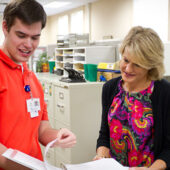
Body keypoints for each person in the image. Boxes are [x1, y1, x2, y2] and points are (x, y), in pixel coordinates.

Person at [0, 0, 76, 169]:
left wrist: (58, 136)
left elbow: (42, 130)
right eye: (21, 35)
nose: (28, 44)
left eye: (35, 37)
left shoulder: (31, 78)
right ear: (5, 28)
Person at [94, 26, 170, 170]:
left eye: (137, 64)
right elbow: (104, 134)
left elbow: (168, 148)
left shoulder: (164, 92)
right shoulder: (110, 89)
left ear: (150, 65)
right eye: (126, 60)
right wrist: (101, 155)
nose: (128, 69)